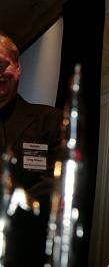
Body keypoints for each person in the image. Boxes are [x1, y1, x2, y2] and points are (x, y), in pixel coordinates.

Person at [0, 32, 63, 266]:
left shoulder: (50, 120)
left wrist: (13, 204)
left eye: (1, 64)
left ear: (17, 67)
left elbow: (57, 181)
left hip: (29, 248)